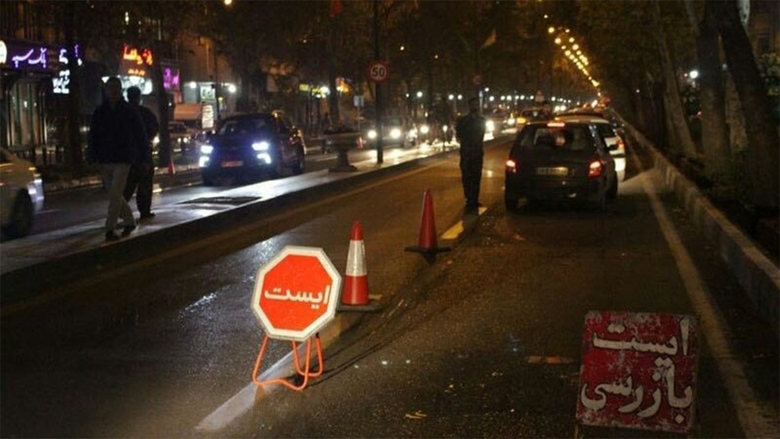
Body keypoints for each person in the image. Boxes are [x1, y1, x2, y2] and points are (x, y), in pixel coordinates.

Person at [87, 77, 149, 241]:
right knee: (115, 194)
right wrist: (92, 156)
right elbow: (93, 136)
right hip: (106, 158)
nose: (113, 92)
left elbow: (140, 135)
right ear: (106, 90)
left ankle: (110, 227)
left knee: (115, 194)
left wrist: (144, 157)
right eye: (110, 89)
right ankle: (129, 221)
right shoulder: (101, 112)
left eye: (115, 89)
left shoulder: (127, 111)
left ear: (120, 90)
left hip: (123, 158)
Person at [123, 86, 159, 220]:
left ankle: (120, 210)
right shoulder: (144, 113)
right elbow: (154, 128)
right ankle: (144, 211)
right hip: (142, 154)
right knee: (144, 184)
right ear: (139, 98)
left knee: (127, 185)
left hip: (126, 155)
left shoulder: (123, 112)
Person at [455, 97, 486, 212]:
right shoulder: (463, 121)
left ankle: (474, 198)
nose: (475, 107)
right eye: (473, 105)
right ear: (469, 106)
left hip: (476, 152)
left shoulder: (481, 120)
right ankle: (469, 198)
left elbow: (481, 135)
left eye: (476, 105)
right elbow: (459, 135)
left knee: (476, 176)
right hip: (467, 152)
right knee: (467, 177)